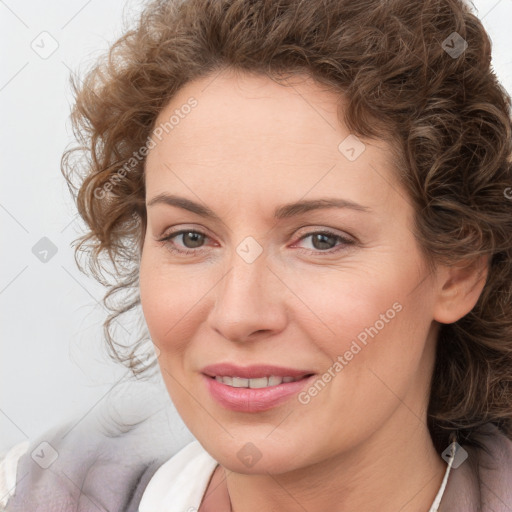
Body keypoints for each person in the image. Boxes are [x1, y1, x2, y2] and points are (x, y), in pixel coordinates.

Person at [2, 0, 512, 510]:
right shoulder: (36, 492)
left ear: (458, 270)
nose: (238, 315)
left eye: (321, 239)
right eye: (190, 238)